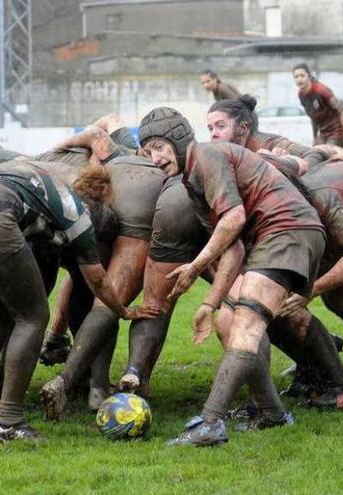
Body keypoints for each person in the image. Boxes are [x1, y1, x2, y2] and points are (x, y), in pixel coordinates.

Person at [0, 161, 157, 443]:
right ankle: (8, 420)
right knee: (32, 316)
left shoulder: (48, 187)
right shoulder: (80, 214)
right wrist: (123, 310)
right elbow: (98, 279)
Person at [137, 107, 326, 446]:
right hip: (271, 239)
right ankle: (273, 414)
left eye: (159, 147)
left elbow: (234, 218)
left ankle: (210, 423)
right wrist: (208, 304)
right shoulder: (192, 179)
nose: (155, 158)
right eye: (148, 151)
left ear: (179, 139)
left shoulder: (206, 155)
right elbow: (234, 248)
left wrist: (195, 266)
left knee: (245, 326)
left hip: (288, 231)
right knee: (228, 322)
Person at [292, 64, 343, 149]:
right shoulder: (301, 95)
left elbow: (342, 111)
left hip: (336, 132)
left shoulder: (321, 91)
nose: (299, 79)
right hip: (323, 134)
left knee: (329, 156)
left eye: (302, 76)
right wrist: (315, 137)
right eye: (296, 77)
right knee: (316, 154)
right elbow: (313, 117)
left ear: (309, 76)